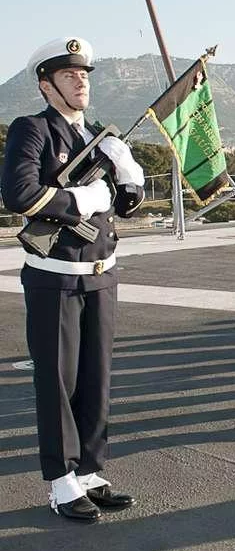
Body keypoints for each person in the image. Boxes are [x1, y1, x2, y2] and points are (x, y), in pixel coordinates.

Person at [1, 37, 144, 522]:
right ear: (47, 85)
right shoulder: (33, 129)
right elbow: (19, 193)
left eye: (83, 74)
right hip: (55, 278)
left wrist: (129, 175)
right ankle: (62, 482)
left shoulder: (99, 137)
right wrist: (77, 201)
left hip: (101, 275)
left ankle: (90, 471)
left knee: (96, 379)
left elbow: (123, 206)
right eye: (68, 75)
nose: (80, 80)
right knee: (58, 382)